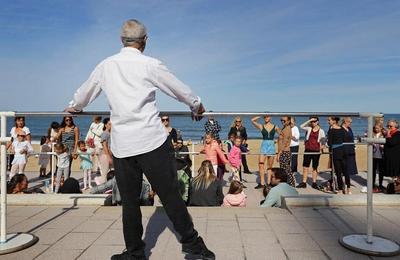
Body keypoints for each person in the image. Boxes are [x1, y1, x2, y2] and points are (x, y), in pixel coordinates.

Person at [65, 19, 214, 260]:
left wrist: (74, 107)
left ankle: (135, 253)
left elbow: (83, 95)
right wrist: (196, 105)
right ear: (145, 41)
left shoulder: (106, 66)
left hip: (123, 145)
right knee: (169, 196)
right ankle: (193, 246)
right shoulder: (150, 64)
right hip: (151, 141)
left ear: (120, 41)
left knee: (130, 203)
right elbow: (178, 89)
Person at [297, 117, 326, 189]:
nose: (313, 123)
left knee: (315, 167)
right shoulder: (309, 128)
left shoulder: (321, 131)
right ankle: (304, 182)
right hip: (308, 150)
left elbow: (323, 140)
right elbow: (301, 126)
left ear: (318, 122)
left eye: (314, 121)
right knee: (305, 167)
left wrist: (322, 147)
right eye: (312, 121)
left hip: (316, 151)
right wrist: (309, 120)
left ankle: (314, 182)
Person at [251, 115, 278, 189]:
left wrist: (276, 141)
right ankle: (262, 183)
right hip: (264, 146)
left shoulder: (275, 126)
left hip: (271, 146)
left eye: (267, 116)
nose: (266, 118)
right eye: (265, 117)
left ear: (270, 118)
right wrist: (260, 115)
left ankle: (269, 183)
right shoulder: (261, 126)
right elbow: (252, 120)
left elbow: (282, 134)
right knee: (261, 164)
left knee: (269, 166)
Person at [327, 116, 350, 194]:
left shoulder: (331, 130)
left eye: (329, 120)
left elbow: (329, 143)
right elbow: (344, 139)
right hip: (343, 150)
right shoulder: (341, 129)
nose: (328, 121)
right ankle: (348, 189)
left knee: (338, 171)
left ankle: (340, 189)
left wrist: (325, 144)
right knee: (345, 171)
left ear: (334, 121)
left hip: (336, 151)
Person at [277, 116, 294, 186]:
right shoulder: (285, 128)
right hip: (284, 151)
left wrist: (279, 154)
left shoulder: (287, 129)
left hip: (284, 152)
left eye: (284, 120)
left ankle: (290, 184)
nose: (282, 122)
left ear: (289, 121)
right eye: (281, 120)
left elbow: (284, 143)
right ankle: (288, 184)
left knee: (285, 170)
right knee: (285, 169)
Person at [98, 117, 112, 184]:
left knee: (109, 173)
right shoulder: (105, 133)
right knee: (105, 174)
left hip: (109, 155)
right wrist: (108, 156)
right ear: (105, 125)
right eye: (109, 124)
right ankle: (101, 185)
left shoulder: (110, 133)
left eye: (111, 124)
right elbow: (104, 146)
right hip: (105, 156)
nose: (111, 126)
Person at [373, 123, 385, 192]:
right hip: (374, 155)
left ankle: (380, 184)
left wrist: (383, 147)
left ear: (381, 128)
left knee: (381, 171)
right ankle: (373, 184)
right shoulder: (373, 135)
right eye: (375, 128)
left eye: (377, 128)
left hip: (381, 155)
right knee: (373, 171)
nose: (376, 129)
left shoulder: (383, 135)